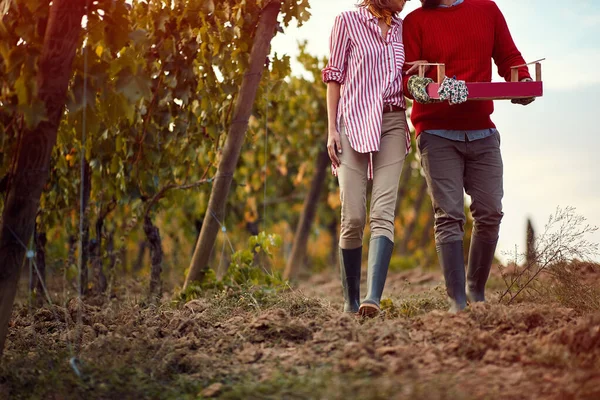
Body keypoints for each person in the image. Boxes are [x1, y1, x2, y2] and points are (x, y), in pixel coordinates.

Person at [402, 0, 535, 312]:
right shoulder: (415, 21)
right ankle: (457, 301)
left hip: (482, 131)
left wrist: (523, 81)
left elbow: (509, 57)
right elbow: (407, 78)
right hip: (436, 132)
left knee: (490, 212)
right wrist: (435, 88)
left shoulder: (486, 10)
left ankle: (476, 290)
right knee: (449, 215)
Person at [322, 0, 411, 317]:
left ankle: (372, 299)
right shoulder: (347, 21)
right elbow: (334, 77)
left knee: (383, 211)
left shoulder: (404, 28)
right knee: (354, 217)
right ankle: (350, 301)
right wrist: (332, 129)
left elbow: (409, 76)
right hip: (353, 122)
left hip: (393, 122)